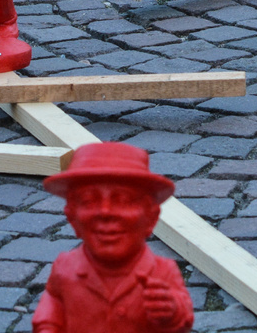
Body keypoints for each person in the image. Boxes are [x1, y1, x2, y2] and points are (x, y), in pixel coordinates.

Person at [33, 143, 195, 333]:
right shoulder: (64, 268)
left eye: (124, 201)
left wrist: (172, 312)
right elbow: (51, 307)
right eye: (89, 201)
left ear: (150, 217)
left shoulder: (163, 272)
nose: (105, 212)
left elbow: (183, 318)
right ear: (72, 217)